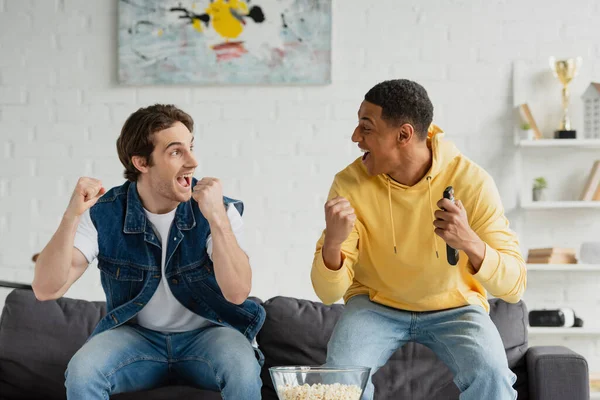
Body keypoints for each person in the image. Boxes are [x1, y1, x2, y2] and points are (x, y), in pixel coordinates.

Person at [311, 79, 526, 400]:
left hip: (456, 308)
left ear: (404, 135)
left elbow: (514, 286)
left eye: (366, 128)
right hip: (374, 306)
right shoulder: (349, 183)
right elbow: (329, 294)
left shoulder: (471, 181)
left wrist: (470, 242)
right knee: (337, 382)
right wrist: (333, 244)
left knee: (492, 376)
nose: (355, 137)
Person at [32, 104, 265, 399]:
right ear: (142, 162)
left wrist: (216, 217)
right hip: (137, 338)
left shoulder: (219, 209)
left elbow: (237, 293)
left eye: (191, 147)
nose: (193, 161)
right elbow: (45, 289)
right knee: (83, 370)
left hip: (211, 334)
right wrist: (71, 215)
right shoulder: (105, 214)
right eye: (176, 151)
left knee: (242, 366)